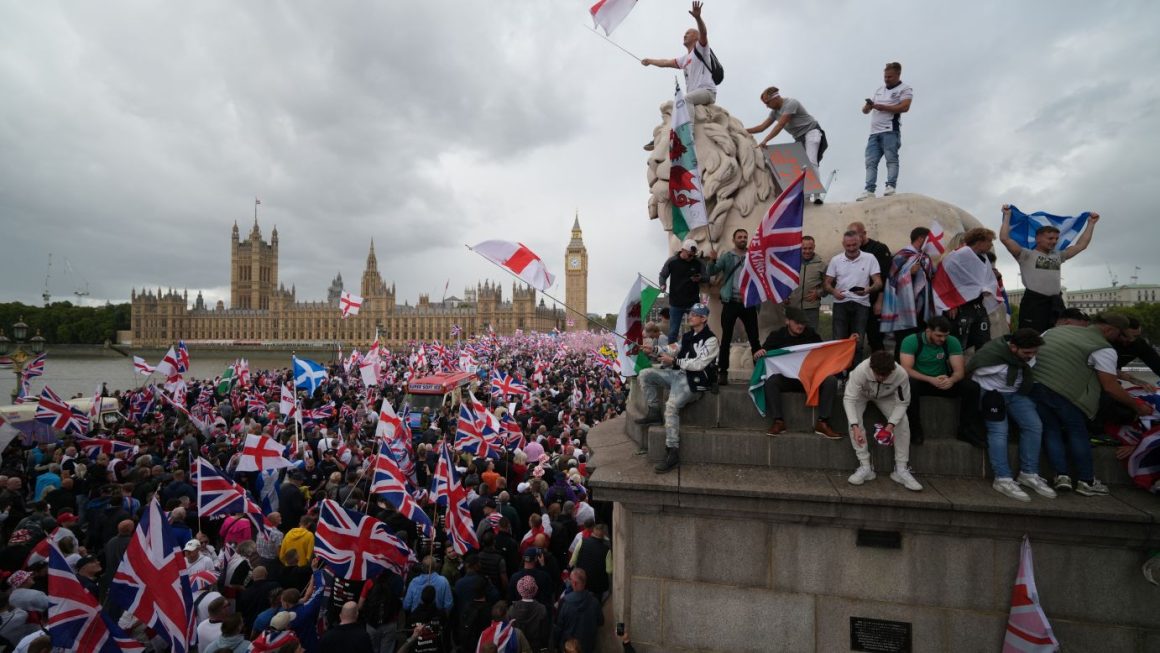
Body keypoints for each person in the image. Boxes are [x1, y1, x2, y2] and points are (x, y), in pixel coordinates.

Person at [1030, 313, 1151, 495]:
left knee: (1051, 431)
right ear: (1109, 330)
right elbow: (1110, 387)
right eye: (1120, 335)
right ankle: (1086, 481)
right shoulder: (1103, 348)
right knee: (1078, 432)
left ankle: (1061, 476)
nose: (1123, 340)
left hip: (1036, 387)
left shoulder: (1053, 332)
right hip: (1065, 393)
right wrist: (1138, 407)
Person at [966, 328, 1058, 502]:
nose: (1031, 356)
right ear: (1013, 347)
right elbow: (972, 371)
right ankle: (1003, 478)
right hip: (992, 393)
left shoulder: (1025, 358)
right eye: (1027, 353)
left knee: (1034, 426)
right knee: (999, 431)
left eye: (1034, 352)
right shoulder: (991, 356)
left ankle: (1029, 473)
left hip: (1016, 394)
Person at [635, 303, 720, 474]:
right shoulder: (687, 336)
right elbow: (672, 348)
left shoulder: (711, 340)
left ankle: (672, 451)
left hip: (694, 381)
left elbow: (699, 364)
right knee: (645, 374)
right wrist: (654, 349)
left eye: (695, 314)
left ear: (704, 318)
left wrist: (674, 361)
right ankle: (654, 412)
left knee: (671, 406)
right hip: (677, 374)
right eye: (691, 313)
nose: (690, 316)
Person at [999, 204, 1100, 332]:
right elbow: (1005, 238)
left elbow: (1081, 245)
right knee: (1033, 337)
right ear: (1038, 238)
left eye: (1056, 239)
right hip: (1034, 303)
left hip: (1056, 303)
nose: (1054, 241)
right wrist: (1007, 215)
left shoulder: (1058, 255)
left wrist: (1091, 223)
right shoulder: (1025, 255)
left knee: (1059, 334)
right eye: (1050, 238)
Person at [753, 307, 842, 439]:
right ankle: (778, 421)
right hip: (787, 379)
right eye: (797, 322)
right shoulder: (776, 336)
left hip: (808, 379)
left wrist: (847, 343)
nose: (800, 326)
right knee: (771, 382)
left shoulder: (811, 335)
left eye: (803, 323)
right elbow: (763, 358)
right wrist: (758, 355)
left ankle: (823, 422)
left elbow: (824, 353)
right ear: (787, 321)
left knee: (830, 381)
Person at [843, 351, 922, 491]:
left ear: (892, 370)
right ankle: (865, 466)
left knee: (902, 421)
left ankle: (901, 469)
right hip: (862, 394)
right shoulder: (861, 370)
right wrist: (855, 427)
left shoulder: (901, 374)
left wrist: (890, 425)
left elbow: (903, 403)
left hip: (886, 396)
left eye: (884, 375)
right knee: (853, 421)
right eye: (877, 374)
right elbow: (849, 399)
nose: (880, 377)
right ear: (871, 368)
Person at [746, 87, 827, 203]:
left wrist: (765, 140)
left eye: (767, 103)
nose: (767, 106)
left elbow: (780, 125)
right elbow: (761, 127)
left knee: (811, 161)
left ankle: (817, 195)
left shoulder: (791, 103)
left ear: (775, 98)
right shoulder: (774, 113)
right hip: (799, 138)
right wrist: (741, 130)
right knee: (800, 166)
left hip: (811, 132)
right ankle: (806, 196)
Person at [897, 316, 964, 445]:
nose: (942, 339)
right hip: (921, 381)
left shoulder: (952, 341)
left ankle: (966, 430)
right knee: (908, 385)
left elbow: (960, 372)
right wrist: (930, 379)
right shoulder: (911, 341)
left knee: (971, 387)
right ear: (928, 331)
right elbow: (906, 369)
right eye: (939, 335)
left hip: (943, 382)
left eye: (945, 336)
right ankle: (915, 431)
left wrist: (952, 380)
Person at [708, 229, 761, 384]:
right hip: (730, 301)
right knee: (726, 338)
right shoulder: (727, 257)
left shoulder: (753, 256)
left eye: (745, 237)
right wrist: (712, 260)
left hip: (748, 302)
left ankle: (759, 372)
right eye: (740, 237)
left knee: (754, 338)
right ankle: (722, 372)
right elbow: (712, 271)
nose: (743, 239)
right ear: (734, 239)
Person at [824, 230, 882, 369]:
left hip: (861, 303)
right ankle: (839, 372)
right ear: (843, 244)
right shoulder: (836, 260)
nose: (851, 248)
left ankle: (855, 373)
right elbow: (826, 283)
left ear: (860, 242)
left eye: (854, 245)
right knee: (838, 340)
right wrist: (834, 292)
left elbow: (878, 282)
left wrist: (868, 289)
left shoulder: (870, 258)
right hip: (840, 302)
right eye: (848, 245)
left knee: (858, 341)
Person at [640, 2, 716, 106]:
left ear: (696, 37)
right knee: (673, 105)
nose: (684, 36)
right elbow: (665, 62)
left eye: (688, 33)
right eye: (684, 34)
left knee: (686, 99)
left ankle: (689, 118)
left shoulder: (701, 48)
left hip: (707, 91)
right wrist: (649, 61)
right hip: (694, 95)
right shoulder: (684, 59)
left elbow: (703, 33)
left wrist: (698, 18)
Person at [858, 62, 913, 200]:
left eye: (890, 77)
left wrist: (884, 107)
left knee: (891, 159)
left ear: (898, 75)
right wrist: (868, 106)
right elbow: (865, 111)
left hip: (890, 130)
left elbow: (905, 107)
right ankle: (869, 190)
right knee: (870, 162)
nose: (886, 79)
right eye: (885, 77)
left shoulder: (905, 89)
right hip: (874, 133)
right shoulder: (879, 90)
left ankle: (891, 186)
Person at [880, 227, 936, 346]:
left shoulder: (925, 257)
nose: (930, 243)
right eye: (928, 239)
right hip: (903, 306)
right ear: (921, 238)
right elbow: (891, 280)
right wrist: (909, 273)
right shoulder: (902, 255)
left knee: (920, 340)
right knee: (904, 341)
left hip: (922, 305)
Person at [848, 222, 892, 354]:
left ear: (864, 234)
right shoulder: (851, 250)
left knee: (875, 337)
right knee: (854, 338)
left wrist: (879, 301)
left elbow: (885, 277)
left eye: (857, 236)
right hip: (856, 301)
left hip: (874, 300)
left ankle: (880, 363)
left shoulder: (879, 249)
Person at [657, 239, 709, 344]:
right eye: (689, 255)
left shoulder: (698, 262)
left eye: (693, 255)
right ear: (682, 250)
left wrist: (700, 278)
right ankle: (671, 351)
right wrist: (662, 284)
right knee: (673, 331)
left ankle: (695, 350)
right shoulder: (672, 261)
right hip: (676, 303)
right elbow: (663, 275)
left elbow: (707, 277)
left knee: (696, 328)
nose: (691, 258)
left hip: (693, 302)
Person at [553, 570, 603, 653]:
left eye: (570, 580)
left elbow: (558, 627)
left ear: (574, 583)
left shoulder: (564, 602)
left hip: (569, 648)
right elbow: (600, 621)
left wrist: (556, 645)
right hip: (588, 646)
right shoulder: (595, 601)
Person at [785, 236, 826, 331]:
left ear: (814, 247)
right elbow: (782, 281)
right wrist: (784, 295)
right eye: (804, 248)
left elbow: (829, 285)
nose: (807, 251)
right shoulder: (790, 263)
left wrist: (819, 292)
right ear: (800, 247)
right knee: (792, 335)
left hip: (811, 308)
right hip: (793, 307)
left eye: (810, 248)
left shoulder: (821, 265)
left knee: (811, 335)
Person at [1115, 317, 1160, 390]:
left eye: (1136, 336)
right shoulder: (1106, 342)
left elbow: (1157, 364)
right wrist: (1134, 380)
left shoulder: (1139, 344)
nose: (1131, 339)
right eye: (1125, 336)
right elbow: (1104, 369)